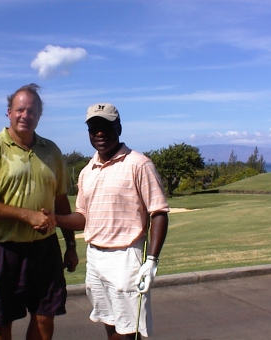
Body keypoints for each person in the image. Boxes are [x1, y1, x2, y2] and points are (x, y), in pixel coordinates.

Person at [0, 83, 79, 340]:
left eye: (31, 111)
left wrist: (70, 245)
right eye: (20, 110)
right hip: (3, 249)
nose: (25, 116)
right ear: (8, 112)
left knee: (45, 317)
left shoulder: (51, 150)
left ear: (39, 116)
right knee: (1, 321)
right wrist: (28, 216)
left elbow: (60, 201)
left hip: (45, 248)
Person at [56, 103, 169, 339]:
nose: (99, 133)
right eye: (94, 127)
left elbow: (158, 212)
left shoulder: (138, 164)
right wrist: (55, 219)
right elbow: (83, 218)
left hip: (127, 256)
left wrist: (152, 260)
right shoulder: (88, 170)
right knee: (109, 322)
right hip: (95, 257)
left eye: (105, 126)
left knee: (129, 328)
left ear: (118, 127)